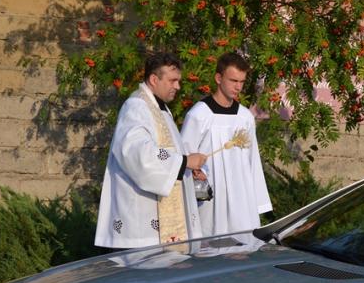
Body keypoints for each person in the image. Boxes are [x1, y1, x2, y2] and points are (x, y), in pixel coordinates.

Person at [95, 52, 207, 249]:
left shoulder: (160, 109)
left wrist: (188, 170)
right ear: (154, 79)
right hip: (142, 224)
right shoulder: (136, 106)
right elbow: (137, 153)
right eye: (172, 81)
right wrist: (184, 162)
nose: (178, 86)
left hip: (162, 225)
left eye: (178, 81)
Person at [180, 52, 272, 237]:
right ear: (218, 78)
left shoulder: (245, 117)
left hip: (242, 200)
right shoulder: (199, 115)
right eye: (233, 80)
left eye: (242, 82)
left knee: (243, 246)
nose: (238, 87)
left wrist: (259, 204)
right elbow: (184, 159)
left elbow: (253, 162)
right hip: (211, 201)